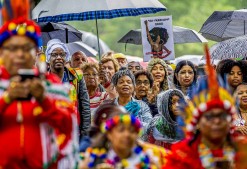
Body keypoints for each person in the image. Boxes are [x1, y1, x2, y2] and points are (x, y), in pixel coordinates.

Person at [163, 45, 247, 169]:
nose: (217, 121)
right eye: (209, 117)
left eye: (222, 116)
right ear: (197, 123)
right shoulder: (181, 157)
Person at [0, 3, 73, 168]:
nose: (19, 54)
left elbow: (68, 125)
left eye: (26, 48)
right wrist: (7, 99)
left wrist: (43, 100)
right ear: (2, 52)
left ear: (36, 53)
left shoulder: (51, 85)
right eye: (12, 48)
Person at [79, 113, 168, 169]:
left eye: (132, 131)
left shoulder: (150, 157)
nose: (127, 135)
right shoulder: (92, 157)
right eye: (121, 130)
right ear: (109, 134)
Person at [46, 39, 91, 137]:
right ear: (48, 58)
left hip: (73, 129)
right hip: (50, 130)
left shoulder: (76, 76)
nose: (59, 58)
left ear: (66, 58)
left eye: (62, 55)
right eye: (54, 55)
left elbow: (85, 106)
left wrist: (85, 133)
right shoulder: (43, 78)